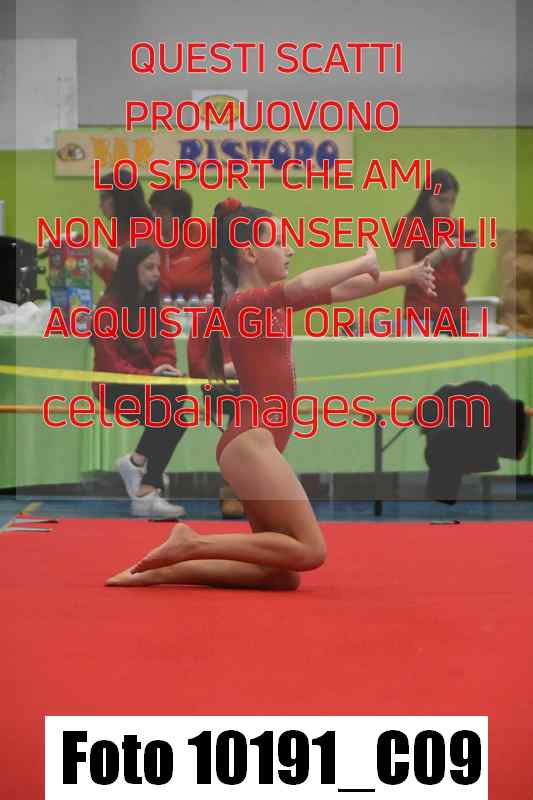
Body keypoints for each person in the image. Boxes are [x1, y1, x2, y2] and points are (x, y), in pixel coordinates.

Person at [107, 198, 435, 589]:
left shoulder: (275, 305)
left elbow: (347, 289)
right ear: (249, 252)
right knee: (311, 549)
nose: (290, 250)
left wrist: (408, 274)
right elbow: (308, 283)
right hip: (250, 441)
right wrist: (361, 261)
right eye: (279, 241)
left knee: (280, 573)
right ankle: (191, 543)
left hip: (259, 442)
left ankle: (168, 570)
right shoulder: (244, 303)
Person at [91, 244, 187, 517]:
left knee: (176, 405)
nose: (156, 273)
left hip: (148, 384)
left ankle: (139, 468)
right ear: (130, 270)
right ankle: (146, 486)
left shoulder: (154, 308)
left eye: (158, 267)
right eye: (148, 267)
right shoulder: (108, 308)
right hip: (114, 387)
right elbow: (110, 364)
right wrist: (151, 377)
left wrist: (164, 369)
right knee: (170, 408)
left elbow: (166, 350)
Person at [394, 169, 475, 330]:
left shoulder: (454, 226)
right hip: (423, 313)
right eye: (441, 200)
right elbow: (403, 275)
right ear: (427, 197)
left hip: (456, 314)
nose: (448, 207)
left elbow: (463, 279)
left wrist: (470, 254)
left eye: (452, 201)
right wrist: (441, 253)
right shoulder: (408, 225)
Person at [92, 168, 153, 286]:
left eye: (103, 198)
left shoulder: (146, 230)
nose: (100, 205)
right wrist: (91, 261)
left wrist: (101, 253)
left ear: (120, 197)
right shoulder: (120, 230)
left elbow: (139, 274)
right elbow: (111, 278)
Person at [148, 187, 212, 300]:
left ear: (180, 217)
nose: (154, 218)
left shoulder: (206, 234)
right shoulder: (147, 240)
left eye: (161, 213)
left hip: (201, 305)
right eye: (152, 212)